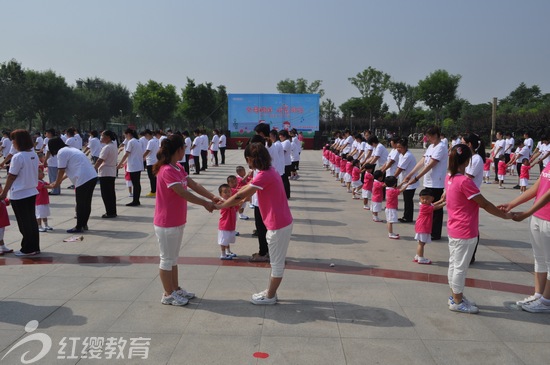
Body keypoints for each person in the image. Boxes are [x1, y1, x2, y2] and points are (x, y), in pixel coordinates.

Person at [216, 142, 293, 305]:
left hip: (278, 225)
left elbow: (242, 193)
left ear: (250, 159)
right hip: (280, 222)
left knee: (276, 263)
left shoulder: (265, 175)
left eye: (247, 160)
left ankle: (270, 296)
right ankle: (270, 291)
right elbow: (245, 193)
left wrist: (222, 204)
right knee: (275, 261)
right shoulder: (269, 171)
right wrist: (228, 202)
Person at [152, 134, 218, 306]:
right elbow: (182, 192)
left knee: (173, 258)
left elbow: (193, 185)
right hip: (166, 222)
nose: (185, 152)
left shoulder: (178, 168)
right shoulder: (166, 170)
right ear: (179, 149)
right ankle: (168, 294)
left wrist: (212, 197)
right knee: (166, 259)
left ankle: (175, 289)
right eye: (184, 149)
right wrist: (205, 203)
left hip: (177, 220)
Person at [445, 144, 510, 314]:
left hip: (454, 228)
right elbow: (485, 204)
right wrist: (505, 216)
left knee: (454, 264)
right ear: (467, 161)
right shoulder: (465, 181)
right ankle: (457, 301)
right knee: (460, 267)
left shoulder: (449, 178)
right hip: (465, 230)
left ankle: (455, 296)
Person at [500, 161, 550, 313]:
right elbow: (538, 187)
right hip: (538, 216)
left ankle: (546, 301)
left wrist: (527, 212)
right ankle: (538, 295)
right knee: (539, 258)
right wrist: (512, 204)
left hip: (548, 218)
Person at [403, 126, 448, 240]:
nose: (428, 139)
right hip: (429, 181)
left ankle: (435, 233)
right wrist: (411, 174)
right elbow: (422, 161)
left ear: (436, 135)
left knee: (435, 208)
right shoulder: (431, 147)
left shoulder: (441, 147)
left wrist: (417, 177)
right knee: (428, 208)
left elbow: (431, 164)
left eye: (429, 136)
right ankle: (429, 230)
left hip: (436, 182)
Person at [0, 130, 40, 256]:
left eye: (13, 140)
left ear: (18, 141)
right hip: (31, 191)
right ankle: (34, 246)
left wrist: (4, 193)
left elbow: (11, 176)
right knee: (31, 220)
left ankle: (27, 248)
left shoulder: (18, 157)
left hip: (19, 193)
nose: (12, 142)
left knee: (24, 222)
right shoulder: (33, 154)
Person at [48, 137, 98, 233]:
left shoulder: (61, 152)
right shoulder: (71, 149)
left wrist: (57, 183)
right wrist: (59, 181)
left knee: (80, 203)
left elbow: (61, 170)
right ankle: (84, 224)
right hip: (91, 176)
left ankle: (79, 226)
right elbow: (68, 170)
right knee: (86, 202)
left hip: (83, 178)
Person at [413, 189, 445, 265]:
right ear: (420, 198)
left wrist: (441, 200)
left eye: (427, 199)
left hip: (423, 226)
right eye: (422, 198)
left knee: (421, 243)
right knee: (421, 243)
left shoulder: (428, 205)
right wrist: (445, 203)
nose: (424, 200)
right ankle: (421, 258)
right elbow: (435, 207)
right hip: (423, 227)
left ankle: (417, 256)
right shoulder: (424, 206)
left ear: (432, 199)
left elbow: (433, 204)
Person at [94, 130, 118, 218]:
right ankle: (112, 211)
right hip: (111, 171)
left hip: (105, 172)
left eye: (102, 136)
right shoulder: (113, 146)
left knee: (106, 194)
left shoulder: (107, 147)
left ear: (107, 137)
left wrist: (94, 169)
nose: (101, 138)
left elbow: (100, 160)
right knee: (111, 193)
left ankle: (110, 212)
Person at [394, 138, 418, 223]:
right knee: (406, 200)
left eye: (400, 147)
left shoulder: (408, 155)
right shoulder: (402, 155)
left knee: (408, 200)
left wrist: (393, 178)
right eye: (397, 147)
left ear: (405, 147)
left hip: (410, 181)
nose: (398, 149)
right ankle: (406, 216)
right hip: (405, 181)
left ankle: (408, 217)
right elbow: (398, 167)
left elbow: (400, 168)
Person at [117, 129, 143, 206]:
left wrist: (120, 164)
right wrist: (124, 163)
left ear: (128, 134)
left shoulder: (131, 142)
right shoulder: (138, 141)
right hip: (137, 165)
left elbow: (126, 154)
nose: (125, 137)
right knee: (137, 184)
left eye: (125, 135)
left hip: (133, 166)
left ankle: (135, 201)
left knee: (135, 184)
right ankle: (136, 200)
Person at [217, 183, 239, 260]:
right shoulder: (223, 202)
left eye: (229, 191)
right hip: (225, 225)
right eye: (225, 192)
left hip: (230, 224)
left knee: (227, 239)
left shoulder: (229, 201)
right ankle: (223, 254)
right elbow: (232, 204)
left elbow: (236, 206)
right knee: (223, 240)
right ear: (220, 194)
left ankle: (228, 251)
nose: (228, 193)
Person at [43, 129, 60, 195]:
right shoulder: (57, 140)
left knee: (53, 177)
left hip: (52, 161)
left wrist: (45, 161)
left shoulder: (51, 141)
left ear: (50, 133)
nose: (46, 134)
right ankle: (57, 190)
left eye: (46, 133)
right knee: (56, 176)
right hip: (57, 161)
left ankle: (54, 190)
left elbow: (48, 152)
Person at [143, 129, 159, 197]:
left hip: (151, 161)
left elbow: (147, 151)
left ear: (147, 135)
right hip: (156, 160)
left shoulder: (150, 141)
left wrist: (142, 157)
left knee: (151, 177)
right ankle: (156, 190)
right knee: (155, 177)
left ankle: (153, 191)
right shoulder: (156, 140)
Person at [36, 167, 53, 232]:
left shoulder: (42, 181)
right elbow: (47, 186)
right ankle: (39, 226)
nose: (42, 173)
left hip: (44, 201)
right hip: (39, 202)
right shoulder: (37, 182)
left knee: (44, 214)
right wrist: (53, 185)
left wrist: (55, 182)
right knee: (39, 215)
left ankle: (46, 225)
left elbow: (50, 184)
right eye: (40, 172)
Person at [0, 183, 13, 255]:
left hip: (2, 220)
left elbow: (7, 202)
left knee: (1, 235)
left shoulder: (2, 198)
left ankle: (2, 246)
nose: (2, 189)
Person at [279, 130, 292, 199]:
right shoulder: (283, 142)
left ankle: (287, 194)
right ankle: (285, 194)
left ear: (284, 136)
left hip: (286, 163)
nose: (280, 137)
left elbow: (283, 152)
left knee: (285, 179)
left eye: (281, 135)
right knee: (284, 179)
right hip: (283, 163)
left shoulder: (286, 142)